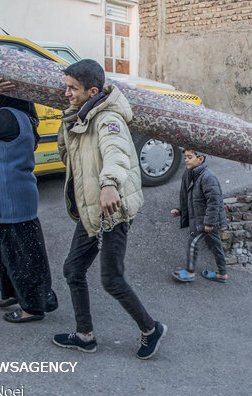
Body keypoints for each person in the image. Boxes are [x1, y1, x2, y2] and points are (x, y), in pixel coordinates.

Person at [52, 59, 166, 359]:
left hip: (111, 208)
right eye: (66, 88)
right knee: (73, 269)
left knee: (111, 279)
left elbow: (116, 152)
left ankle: (151, 329)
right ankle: (85, 335)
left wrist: (109, 184)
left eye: (73, 89)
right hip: (92, 209)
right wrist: (68, 119)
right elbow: (68, 156)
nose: (67, 94)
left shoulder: (107, 119)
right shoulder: (82, 115)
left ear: (92, 90)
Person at [0, 78, 58, 323]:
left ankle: (32, 307)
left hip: (11, 203)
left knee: (21, 257)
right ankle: (29, 293)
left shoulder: (10, 117)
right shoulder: (10, 116)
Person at [171, 150, 228, 283]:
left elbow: (214, 201)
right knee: (215, 246)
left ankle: (190, 273)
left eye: (190, 157)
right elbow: (192, 200)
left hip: (208, 220)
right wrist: (180, 210)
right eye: (185, 157)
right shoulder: (192, 174)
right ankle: (222, 274)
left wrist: (209, 223)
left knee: (193, 242)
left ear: (200, 159)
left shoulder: (208, 177)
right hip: (208, 219)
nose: (186, 160)